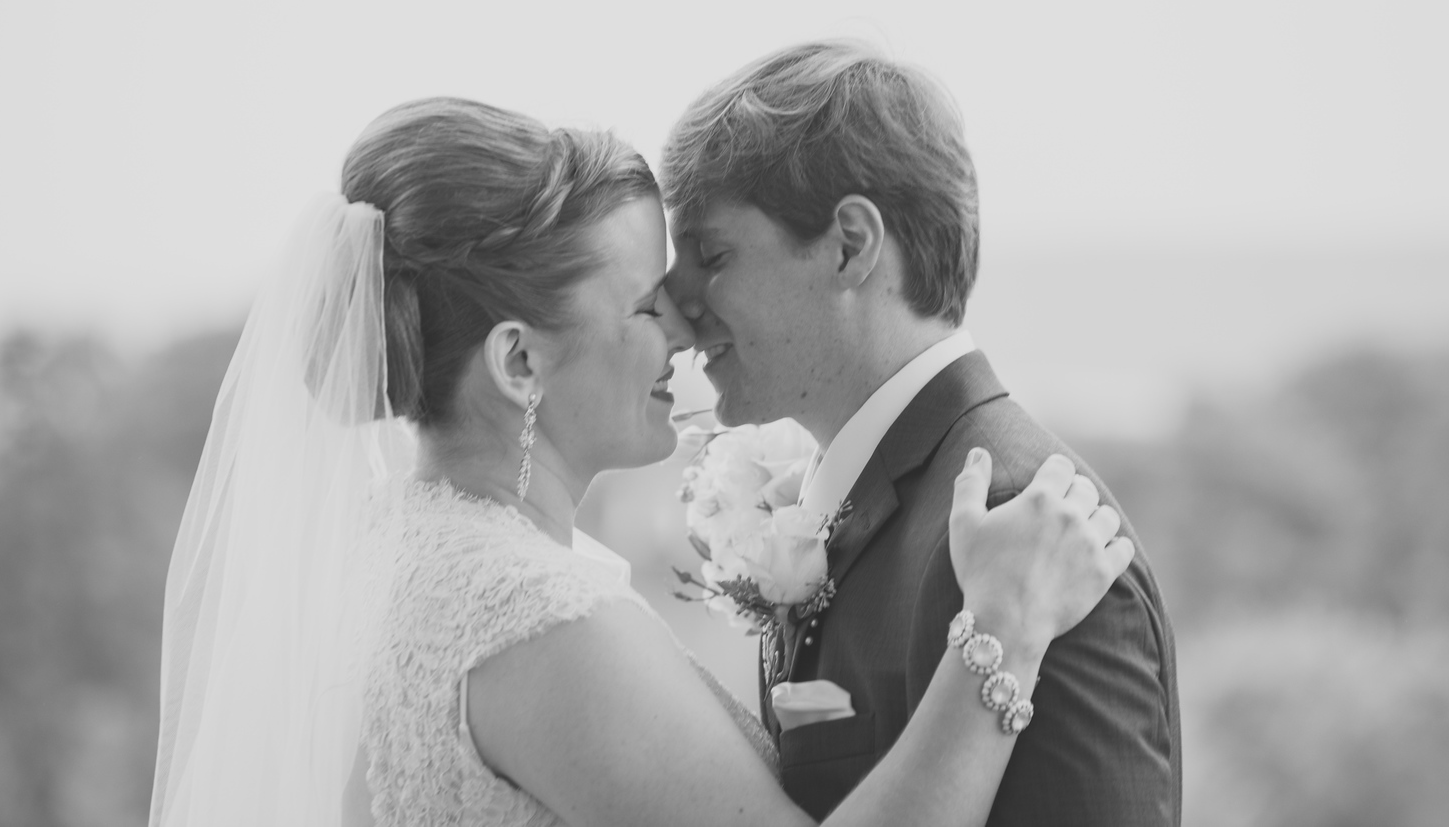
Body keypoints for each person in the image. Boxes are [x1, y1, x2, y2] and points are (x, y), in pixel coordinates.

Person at [150, 97, 1135, 827]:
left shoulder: (392, 548)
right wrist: (1001, 633)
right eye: (640, 302)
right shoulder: (538, 622)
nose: (680, 324)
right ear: (519, 360)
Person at [661, 41, 1182, 824]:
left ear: (851, 246)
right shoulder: (849, 499)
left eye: (712, 256)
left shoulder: (1026, 531)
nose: (673, 302)